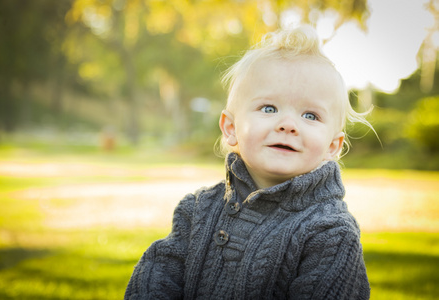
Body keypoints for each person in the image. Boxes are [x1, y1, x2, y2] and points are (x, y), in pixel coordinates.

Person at [125, 24, 371, 300]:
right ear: (231, 128)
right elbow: (155, 279)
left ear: (332, 146)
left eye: (310, 116)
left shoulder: (330, 233)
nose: (288, 125)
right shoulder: (196, 211)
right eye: (269, 108)